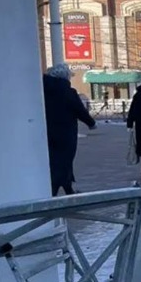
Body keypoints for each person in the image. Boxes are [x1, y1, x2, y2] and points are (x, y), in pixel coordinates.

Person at [42, 63, 96, 195]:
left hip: (46, 131)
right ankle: (56, 188)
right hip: (66, 133)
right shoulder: (67, 92)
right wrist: (91, 123)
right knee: (65, 160)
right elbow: (78, 109)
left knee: (53, 159)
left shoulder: (42, 90)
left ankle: (65, 187)